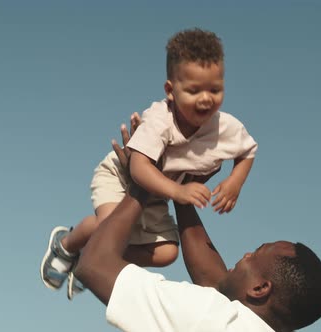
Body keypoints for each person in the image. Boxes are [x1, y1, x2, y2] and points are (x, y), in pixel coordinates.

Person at [41, 28, 258, 300]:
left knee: (168, 252)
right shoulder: (159, 119)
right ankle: (68, 244)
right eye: (193, 90)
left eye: (215, 89)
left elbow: (248, 151)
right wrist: (179, 192)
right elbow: (138, 167)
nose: (206, 98)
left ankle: (89, 256)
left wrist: (235, 181)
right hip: (121, 178)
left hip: (158, 194)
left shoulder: (226, 127)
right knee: (109, 228)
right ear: (171, 90)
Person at [73, 122, 321, 332]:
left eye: (254, 255)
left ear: (260, 289)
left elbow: (94, 265)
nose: (245, 255)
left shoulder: (208, 319)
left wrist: (143, 182)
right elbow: (215, 281)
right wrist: (182, 190)